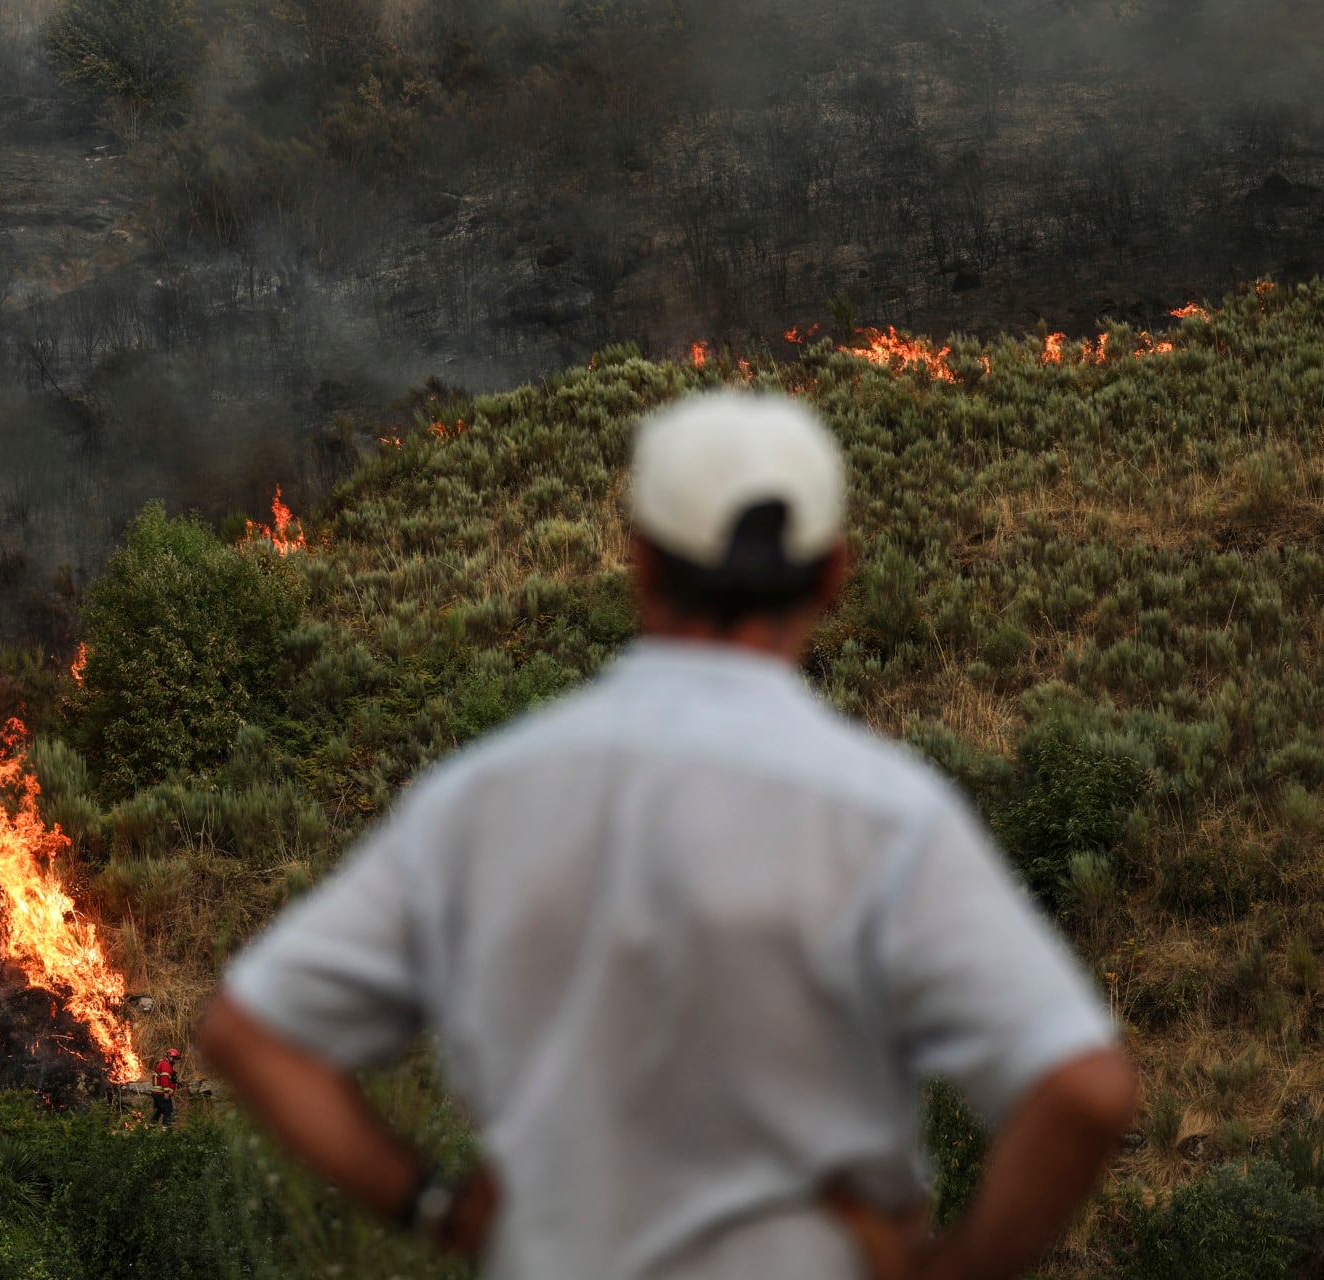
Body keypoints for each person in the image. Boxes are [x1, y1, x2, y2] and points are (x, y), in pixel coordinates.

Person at [198, 389, 1139, 1279]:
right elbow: (1086, 1093)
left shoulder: (482, 798)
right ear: (835, 573)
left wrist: (436, 1207)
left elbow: (252, 1032)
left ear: (641, 558)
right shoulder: (884, 815)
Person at [150, 1047, 181, 1126]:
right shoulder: (166, 1065)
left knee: (158, 1111)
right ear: (170, 1057)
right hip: (161, 1093)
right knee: (168, 1112)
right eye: (175, 1058)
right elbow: (164, 1079)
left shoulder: (165, 1064)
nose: (176, 1061)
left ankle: (151, 1130)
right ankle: (166, 1133)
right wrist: (166, 1092)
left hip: (157, 1093)